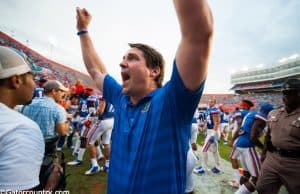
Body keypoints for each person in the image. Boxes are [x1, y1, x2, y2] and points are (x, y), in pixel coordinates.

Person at [76, 0, 213, 193]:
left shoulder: (172, 101)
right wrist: (83, 30)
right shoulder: (121, 99)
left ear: (154, 71)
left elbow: (198, 34)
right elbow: (96, 70)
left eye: (132, 58)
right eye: (123, 58)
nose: (122, 63)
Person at [0, 46, 44, 191]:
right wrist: (50, 187)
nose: (35, 84)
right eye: (33, 77)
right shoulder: (20, 128)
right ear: (16, 80)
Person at [256, 78, 300, 194]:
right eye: (284, 92)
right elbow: (268, 136)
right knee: (262, 188)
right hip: (272, 158)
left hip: (295, 162)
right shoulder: (273, 113)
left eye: (290, 93)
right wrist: (264, 153)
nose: (285, 96)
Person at [231, 103, 274, 194]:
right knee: (257, 178)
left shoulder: (251, 114)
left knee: (246, 174)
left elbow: (241, 129)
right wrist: (263, 148)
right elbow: (253, 136)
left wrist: (233, 139)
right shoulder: (261, 118)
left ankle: (240, 189)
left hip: (240, 143)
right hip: (248, 146)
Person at [228, 99, 254, 188]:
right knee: (243, 159)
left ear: (245, 106)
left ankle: (238, 180)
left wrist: (233, 139)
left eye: (241, 104)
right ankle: (244, 178)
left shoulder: (239, 112)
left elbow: (239, 125)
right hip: (247, 138)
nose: (239, 105)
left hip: (239, 138)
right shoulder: (250, 114)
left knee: (233, 157)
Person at [193, 98, 221, 174]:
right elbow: (208, 122)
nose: (210, 102)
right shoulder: (209, 110)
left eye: (212, 101)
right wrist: (204, 128)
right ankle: (218, 167)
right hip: (210, 131)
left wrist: (213, 134)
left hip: (213, 131)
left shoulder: (214, 109)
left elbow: (216, 122)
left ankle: (204, 168)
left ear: (215, 102)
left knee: (204, 150)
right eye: (209, 101)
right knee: (215, 151)